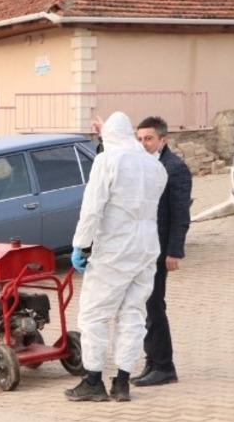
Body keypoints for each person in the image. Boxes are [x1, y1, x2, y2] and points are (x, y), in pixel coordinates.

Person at [66, 112, 167, 403]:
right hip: (146, 249)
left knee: (94, 315)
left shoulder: (107, 161)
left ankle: (93, 381)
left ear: (108, 137)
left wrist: (81, 245)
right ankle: (122, 383)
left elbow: (92, 209)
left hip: (114, 250)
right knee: (133, 315)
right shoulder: (155, 166)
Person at [131, 116, 192, 386]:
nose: (143, 143)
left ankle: (165, 367)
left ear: (163, 140)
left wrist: (174, 251)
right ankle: (153, 361)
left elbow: (180, 214)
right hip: (142, 247)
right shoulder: (141, 164)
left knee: (154, 304)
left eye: (149, 139)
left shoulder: (175, 168)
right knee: (145, 304)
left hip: (160, 249)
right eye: (140, 139)